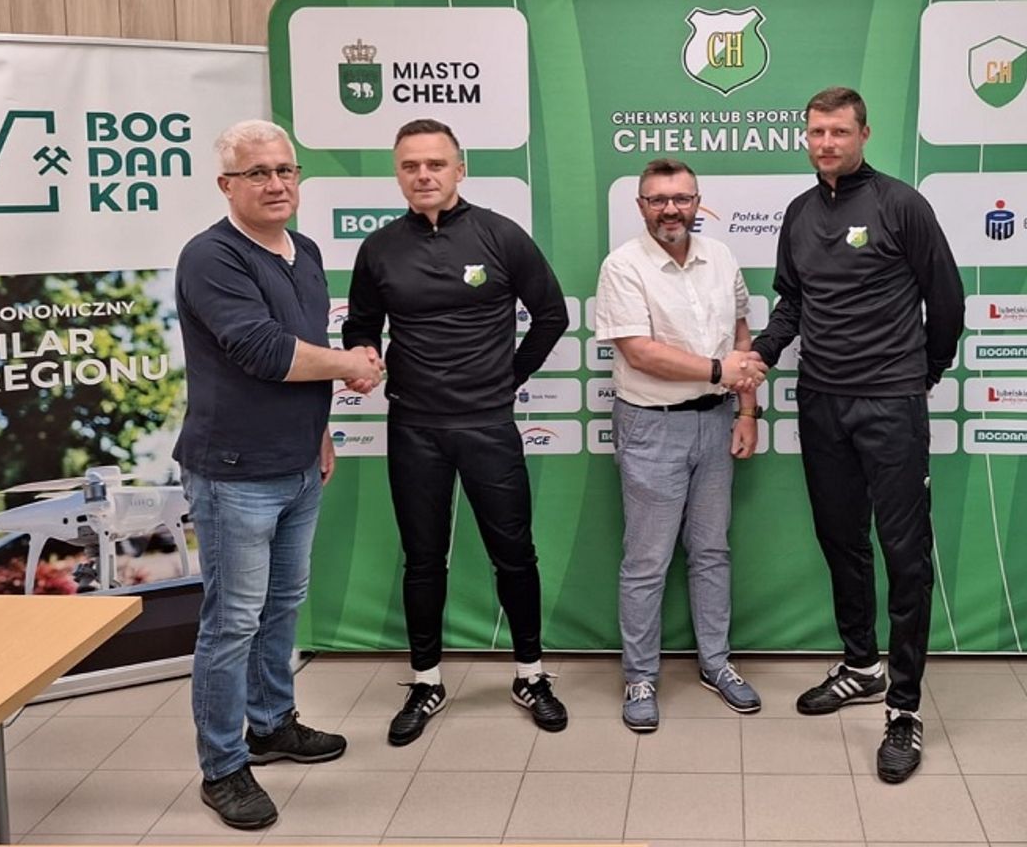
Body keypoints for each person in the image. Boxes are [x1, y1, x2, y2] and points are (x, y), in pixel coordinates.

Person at [750, 87, 964, 783]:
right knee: (841, 540)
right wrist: (763, 352)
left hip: (890, 403)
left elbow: (946, 297)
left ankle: (904, 708)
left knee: (905, 556)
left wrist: (925, 372)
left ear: (863, 134)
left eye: (839, 132)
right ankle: (862, 666)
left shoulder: (901, 205)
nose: (826, 143)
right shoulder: (800, 212)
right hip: (821, 402)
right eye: (816, 132)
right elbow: (792, 301)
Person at [176, 119, 383, 829]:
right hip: (234, 472)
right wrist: (352, 364)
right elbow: (266, 351)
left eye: (285, 170)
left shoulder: (307, 250)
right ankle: (222, 766)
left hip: (297, 463)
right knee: (232, 622)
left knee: (282, 606)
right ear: (226, 185)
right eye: (257, 173)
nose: (275, 184)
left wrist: (319, 428)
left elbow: (306, 346)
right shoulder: (211, 257)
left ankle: (271, 725)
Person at [342, 118, 570, 746]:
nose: (423, 175)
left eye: (435, 164)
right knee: (422, 559)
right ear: (398, 174)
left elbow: (551, 315)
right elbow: (360, 326)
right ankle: (426, 682)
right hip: (414, 426)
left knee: (514, 555)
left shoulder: (499, 234)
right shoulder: (379, 248)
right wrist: (362, 355)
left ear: (460, 169)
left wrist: (509, 377)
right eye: (410, 166)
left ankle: (531, 675)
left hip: (488, 424)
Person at [593, 158, 768, 732]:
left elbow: (741, 334)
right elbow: (640, 352)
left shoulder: (721, 258)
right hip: (651, 425)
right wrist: (719, 371)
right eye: (658, 200)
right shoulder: (623, 266)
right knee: (647, 561)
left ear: (698, 203)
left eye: (682, 198)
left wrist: (747, 410)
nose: (671, 209)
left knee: (712, 551)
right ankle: (640, 676)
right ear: (641, 206)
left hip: (716, 422)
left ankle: (716, 663)